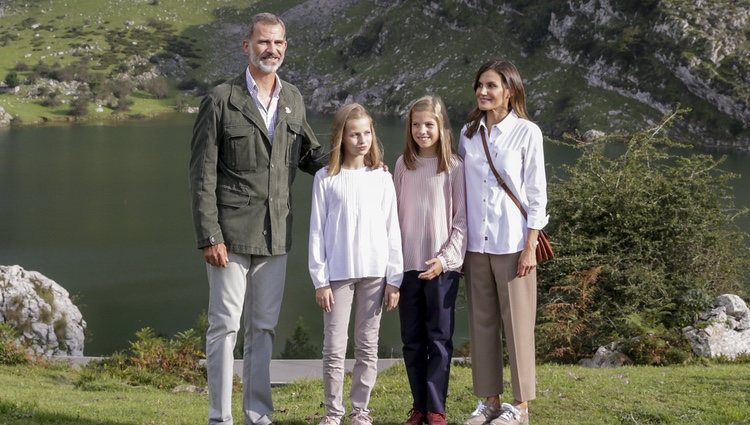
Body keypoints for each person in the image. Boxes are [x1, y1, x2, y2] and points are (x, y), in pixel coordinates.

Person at [189, 12, 328, 425]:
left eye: (279, 43)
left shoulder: (293, 99)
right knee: (225, 328)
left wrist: (359, 165)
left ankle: (258, 415)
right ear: (246, 46)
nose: (272, 50)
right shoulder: (220, 99)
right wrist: (208, 234)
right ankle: (220, 417)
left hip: (276, 234)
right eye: (264, 42)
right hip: (229, 237)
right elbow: (201, 175)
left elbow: (308, 155)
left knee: (263, 329)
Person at [458, 60, 548, 425]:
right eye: (480, 85)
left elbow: (537, 193)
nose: (483, 91)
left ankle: (521, 406)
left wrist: (530, 245)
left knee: (518, 325)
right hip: (476, 245)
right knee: (482, 323)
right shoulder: (468, 133)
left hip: (513, 244)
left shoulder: (527, 132)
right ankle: (489, 402)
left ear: (509, 91)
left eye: (491, 86)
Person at [308, 103, 403, 425]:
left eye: (367, 133)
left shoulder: (380, 177)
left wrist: (395, 278)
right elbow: (317, 232)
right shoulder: (326, 178)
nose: (362, 140)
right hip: (337, 275)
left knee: (367, 346)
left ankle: (360, 410)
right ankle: (333, 413)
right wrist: (319, 280)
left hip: (376, 274)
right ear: (342, 137)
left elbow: (393, 230)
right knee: (334, 348)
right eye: (354, 134)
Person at [394, 96, 467, 425]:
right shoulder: (402, 165)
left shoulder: (453, 166)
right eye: (416, 124)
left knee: (438, 340)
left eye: (429, 125)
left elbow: (461, 222)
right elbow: (391, 218)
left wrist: (444, 260)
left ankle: (436, 408)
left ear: (441, 127)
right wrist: (392, 267)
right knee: (412, 340)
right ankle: (418, 406)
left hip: (441, 269)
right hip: (408, 266)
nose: (422, 131)